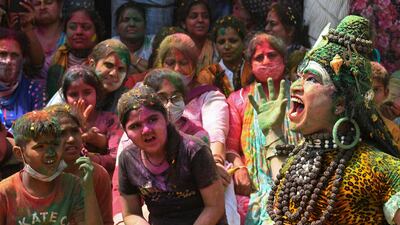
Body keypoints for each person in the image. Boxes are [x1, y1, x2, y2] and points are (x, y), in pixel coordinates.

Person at [263, 15, 400, 224]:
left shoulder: (381, 169)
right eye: (299, 77)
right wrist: (273, 133)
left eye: (311, 79)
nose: (296, 86)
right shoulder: (298, 161)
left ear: (341, 102)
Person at [112, 68, 210, 224]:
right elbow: (131, 213)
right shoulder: (128, 159)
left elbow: (214, 207)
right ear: (126, 132)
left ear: (165, 118)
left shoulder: (194, 149)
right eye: (135, 126)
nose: (146, 130)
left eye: (152, 120)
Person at [226, 32, 301, 224]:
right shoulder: (238, 100)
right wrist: (239, 168)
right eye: (259, 57)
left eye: (272, 55)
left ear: (284, 60)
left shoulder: (300, 93)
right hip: (255, 188)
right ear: (251, 65)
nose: (266, 60)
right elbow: (230, 149)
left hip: (300, 178)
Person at [154, 33, 231, 189]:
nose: (176, 69)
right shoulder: (147, 92)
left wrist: (215, 162)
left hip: (204, 164)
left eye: (184, 62)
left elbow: (216, 132)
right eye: (170, 62)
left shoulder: (209, 95)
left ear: (195, 66)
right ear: (161, 64)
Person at [0, 110, 103, 225]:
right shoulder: (5, 193)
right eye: (40, 147)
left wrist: (88, 189)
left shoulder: (73, 186)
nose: (50, 153)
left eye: (54, 144)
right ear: (19, 153)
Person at [45, 104, 113, 225]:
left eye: (75, 131)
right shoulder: (40, 177)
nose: (71, 139)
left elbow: (106, 222)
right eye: (62, 133)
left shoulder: (97, 174)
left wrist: (88, 189)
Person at [60, 65, 123, 175]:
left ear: (97, 94)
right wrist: (79, 128)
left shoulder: (110, 120)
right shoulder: (59, 124)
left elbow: (116, 159)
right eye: (74, 94)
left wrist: (90, 154)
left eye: (87, 92)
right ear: (65, 98)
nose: (81, 100)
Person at [48, 39, 130, 114]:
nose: (114, 73)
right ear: (92, 64)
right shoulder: (73, 89)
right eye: (108, 65)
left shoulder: (125, 100)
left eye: (121, 69)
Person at [46, 7, 104, 98]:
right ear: (65, 32)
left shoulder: (105, 63)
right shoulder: (54, 63)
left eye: (86, 27)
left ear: (96, 33)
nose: (79, 32)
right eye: (72, 27)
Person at [0, 28, 46, 130]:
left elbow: (37, 131)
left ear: (23, 59)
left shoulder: (34, 89)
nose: (8, 61)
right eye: (2, 54)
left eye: (14, 55)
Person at [198, 15, 252, 97]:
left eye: (233, 41)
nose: (227, 46)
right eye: (221, 42)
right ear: (215, 45)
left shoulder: (253, 70)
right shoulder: (208, 75)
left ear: (244, 43)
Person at [176, 0, 217, 71]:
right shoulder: (176, 48)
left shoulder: (217, 49)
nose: (200, 20)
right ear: (183, 23)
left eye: (205, 16)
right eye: (193, 16)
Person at [114, 2, 153, 74]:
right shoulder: (110, 45)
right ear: (117, 27)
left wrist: (131, 58)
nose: (132, 24)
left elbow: (159, 72)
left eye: (137, 20)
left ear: (145, 25)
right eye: (126, 20)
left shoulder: (154, 43)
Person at [33, 0, 66, 80]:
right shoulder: (26, 35)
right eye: (37, 4)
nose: (42, 7)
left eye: (48, 2)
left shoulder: (72, 37)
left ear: (60, 6)